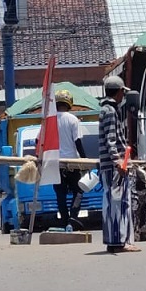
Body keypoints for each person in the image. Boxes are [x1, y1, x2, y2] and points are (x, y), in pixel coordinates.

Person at [98, 75, 139, 253]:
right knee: (118, 204)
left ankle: (117, 240)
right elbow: (111, 140)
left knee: (115, 203)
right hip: (114, 167)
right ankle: (118, 241)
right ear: (119, 92)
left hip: (112, 166)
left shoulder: (109, 110)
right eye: (123, 92)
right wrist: (118, 163)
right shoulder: (110, 111)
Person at [51, 89, 87, 229]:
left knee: (60, 194)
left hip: (56, 163)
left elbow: (39, 141)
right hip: (72, 163)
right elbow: (78, 142)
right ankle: (72, 220)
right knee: (78, 191)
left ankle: (65, 221)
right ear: (69, 103)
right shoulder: (73, 119)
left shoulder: (50, 120)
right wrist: (84, 160)